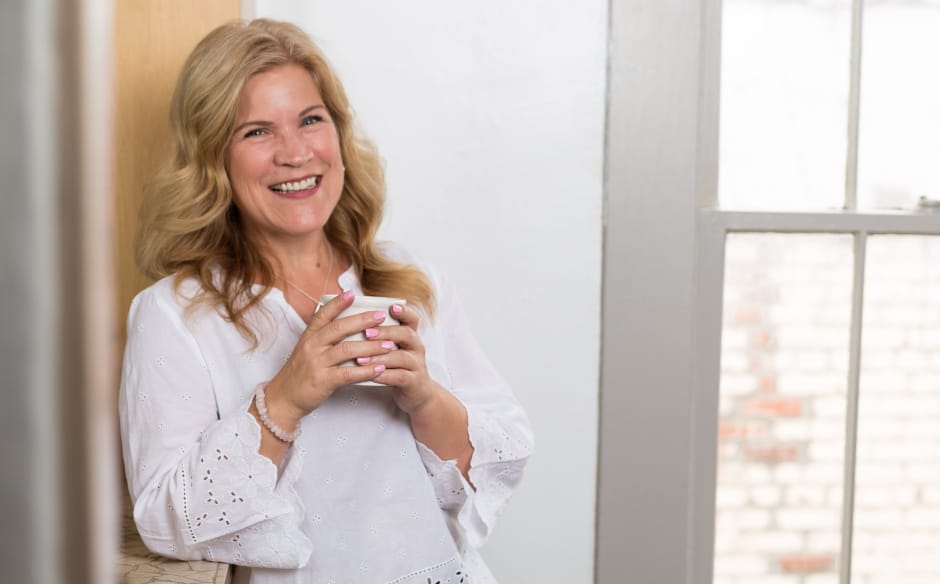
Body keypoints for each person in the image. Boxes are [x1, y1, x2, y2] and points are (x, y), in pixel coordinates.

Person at [119, 18, 533, 584]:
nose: (294, 153)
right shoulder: (174, 313)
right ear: (214, 158)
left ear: (338, 136)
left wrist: (423, 397)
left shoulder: (409, 283)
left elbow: (500, 458)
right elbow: (166, 521)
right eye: (257, 132)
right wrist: (283, 400)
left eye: (310, 120)